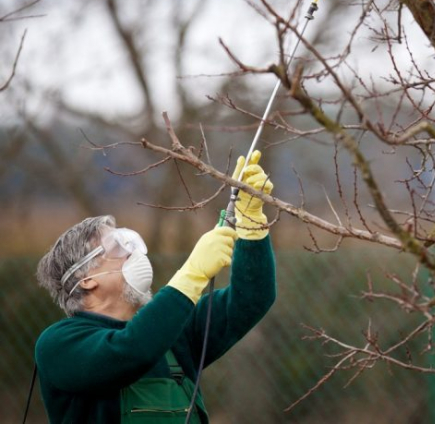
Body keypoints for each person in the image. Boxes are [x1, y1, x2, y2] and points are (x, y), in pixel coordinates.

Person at [35, 150, 275, 424]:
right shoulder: (59, 343)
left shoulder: (176, 333)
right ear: (86, 279)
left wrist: (252, 223)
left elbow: (251, 299)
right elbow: (129, 352)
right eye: (117, 248)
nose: (134, 254)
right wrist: (192, 274)